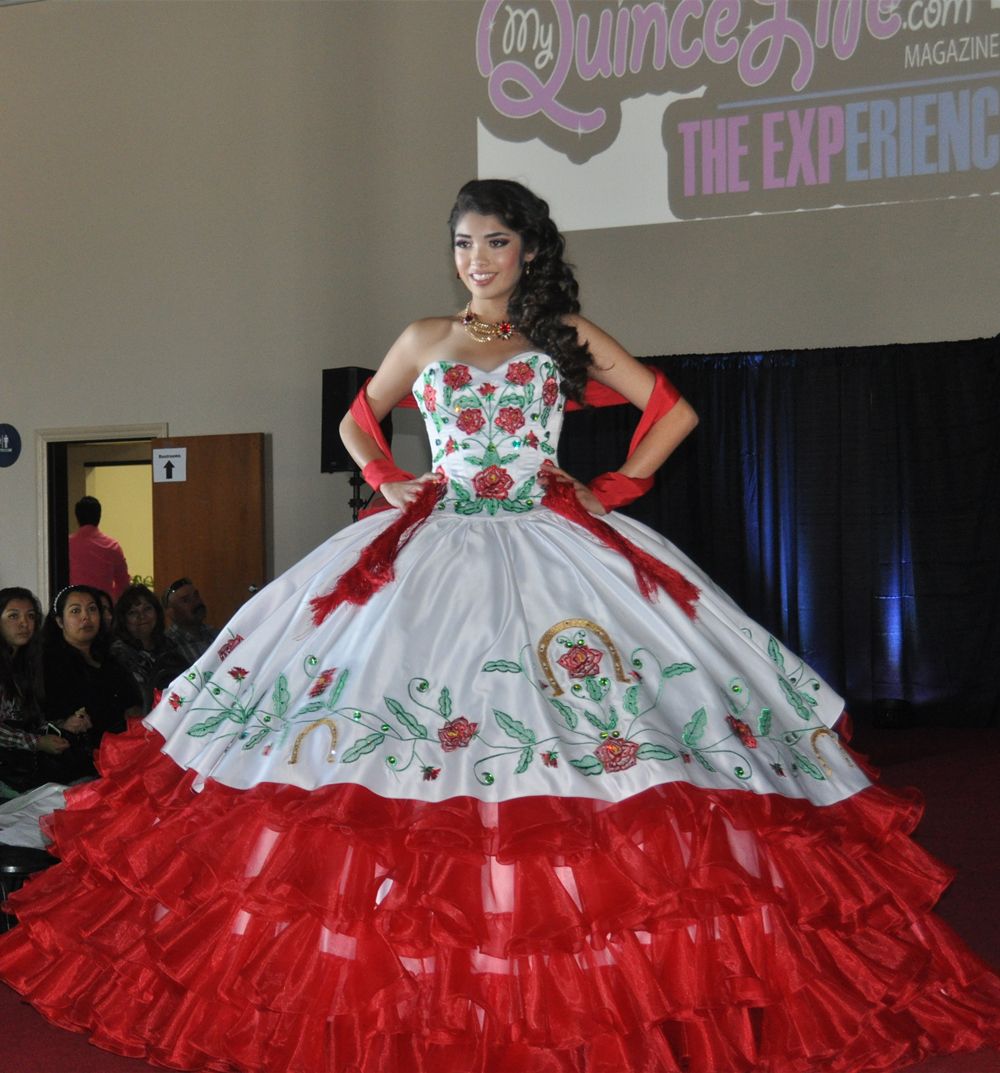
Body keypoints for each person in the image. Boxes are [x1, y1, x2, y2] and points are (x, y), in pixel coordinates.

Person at [1, 180, 997, 1073]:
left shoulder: (559, 335)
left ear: (529, 249)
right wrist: (389, 478)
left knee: (587, 736)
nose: (477, 261)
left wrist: (610, 488)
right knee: (385, 732)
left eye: (495, 244)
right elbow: (358, 419)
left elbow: (672, 410)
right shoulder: (425, 335)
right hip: (431, 544)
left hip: (546, 546)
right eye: (464, 245)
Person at [38, 586, 143, 783]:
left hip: (121, 758)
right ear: (60, 621)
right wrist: (64, 722)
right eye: (75, 611)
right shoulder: (47, 665)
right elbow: (39, 715)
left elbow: (132, 705)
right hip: (75, 769)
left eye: (92, 609)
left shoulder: (112, 660)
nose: (86, 617)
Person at [0, 588, 69, 796]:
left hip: (20, 769)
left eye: (30, 616)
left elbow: (25, 719)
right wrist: (37, 742)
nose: (24, 623)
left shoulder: (26, 664)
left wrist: (60, 726)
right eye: (13, 616)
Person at [109, 584, 181, 713]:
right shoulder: (117, 654)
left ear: (157, 613)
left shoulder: (170, 645)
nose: (141, 616)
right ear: (123, 619)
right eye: (132, 612)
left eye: (147, 609)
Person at [67, 496, 131, 605]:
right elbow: (123, 585)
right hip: (103, 607)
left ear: (77, 517)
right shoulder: (112, 546)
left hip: (74, 606)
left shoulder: (67, 545)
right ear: (99, 516)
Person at [162, 577, 217, 666]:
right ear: (171, 612)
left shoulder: (216, 634)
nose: (196, 602)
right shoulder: (168, 645)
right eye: (186, 600)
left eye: (196, 595)